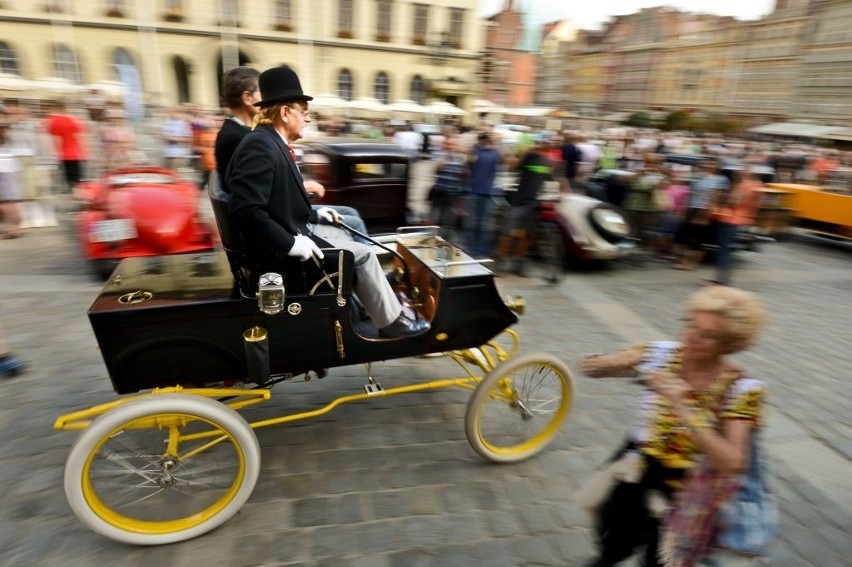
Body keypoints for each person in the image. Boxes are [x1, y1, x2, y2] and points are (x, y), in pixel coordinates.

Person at [227, 66, 429, 338]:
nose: (308, 120)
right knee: (364, 255)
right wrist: (291, 244)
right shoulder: (260, 146)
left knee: (347, 228)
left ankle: (372, 303)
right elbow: (246, 209)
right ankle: (391, 324)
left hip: (291, 234)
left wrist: (317, 216)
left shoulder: (269, 142)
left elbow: (279, 203)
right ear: (285, 113)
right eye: (304, 112)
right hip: (275, 255)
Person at [579, 285, 766, 567]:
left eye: (707, 335)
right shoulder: (661, 354)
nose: (691, 337)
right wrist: (613, 362)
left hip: (688, 490)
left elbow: (732, 462)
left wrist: (682, 405)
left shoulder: (742, 389)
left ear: (728, 345)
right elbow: (587, 368)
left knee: (662, 559)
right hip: (635, 470)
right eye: (690, 324)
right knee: (612, 541)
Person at [213, 66, 369, 241]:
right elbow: (257, 199)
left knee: (350, 213)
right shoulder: (245, 139)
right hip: (279, 223)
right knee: (353, 224)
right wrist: (304, 194)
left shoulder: (249, 135)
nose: (267, 98)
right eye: (262, 92)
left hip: (283, 212)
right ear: (247, 97)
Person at [494, 138, 552, 276]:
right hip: (520, 202)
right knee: (508, 233)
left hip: (534, 203)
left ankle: (519, 264)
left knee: (526, 236)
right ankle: (500, 262)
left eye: (544, 144)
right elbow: (513, 167)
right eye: (540, 143)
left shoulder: (547, 162)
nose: (542, 146)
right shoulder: (529, 157)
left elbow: (551, 179)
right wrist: (527, 152)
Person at [709, 168, 763, 286]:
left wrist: (723, 198)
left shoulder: (744, 186)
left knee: (724, 251)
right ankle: (722, 279)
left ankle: (722, 280)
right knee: (726, 250)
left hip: (729, 218)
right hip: (739, 219)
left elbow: (735, 202)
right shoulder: (757, 185)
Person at [673, 158, 729, 271]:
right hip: (692, 208)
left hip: (706, 210)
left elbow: (717, 196)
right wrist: (686, 208)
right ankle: (683, 259)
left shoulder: (721, 179)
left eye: (712, 163)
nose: (708, 165)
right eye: (707, 162)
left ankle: (691, 262)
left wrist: (707, 211)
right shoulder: (698, 177)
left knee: (698, 238)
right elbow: (691, 193)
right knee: (684, 236)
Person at [464, 131, 503, 257]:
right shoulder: (475, 151)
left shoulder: (494, 152)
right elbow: (469, 161)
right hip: (477, 190)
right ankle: (473, 248)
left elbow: (504, 160)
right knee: (475, 222)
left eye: (485, 139)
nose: (483, 142)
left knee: (484, 223)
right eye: (481, 139)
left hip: (486, 191)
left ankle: (481, 249)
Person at [43, 99, 87, 192]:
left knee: (67, 183)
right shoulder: (74, 120)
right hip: (75, 155)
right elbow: (79, 138)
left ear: (54, 109)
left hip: (63, 156)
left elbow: (56, 141)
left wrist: (57, 156)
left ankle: (72, 200)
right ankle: (79, 200)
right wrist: (83, 154)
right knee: (77, 182)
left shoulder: (53, 122)